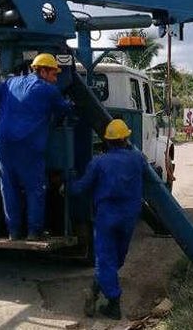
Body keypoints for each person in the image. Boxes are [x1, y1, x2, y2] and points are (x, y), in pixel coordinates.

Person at [71, 119, 148, 320]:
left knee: (106, 260)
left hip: (107, 216)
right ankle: (95, 290)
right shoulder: (137, 159)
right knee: (115, 259)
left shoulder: (99, 162)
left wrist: (65, 185)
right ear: (125, 138)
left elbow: (82, 187)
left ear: (107, 141)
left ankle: (114, 304)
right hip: (129, 216)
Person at [0, 53, 72, 241]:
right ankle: (34, 232)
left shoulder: (11, 82)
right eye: (53, 74)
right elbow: (64, 109)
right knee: (34, 187)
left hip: (2, 141)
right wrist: (69, 104)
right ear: (42, 71)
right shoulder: (47, 90)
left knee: (8, 186)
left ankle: (14, 232)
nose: (55, 79)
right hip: (27, 144)